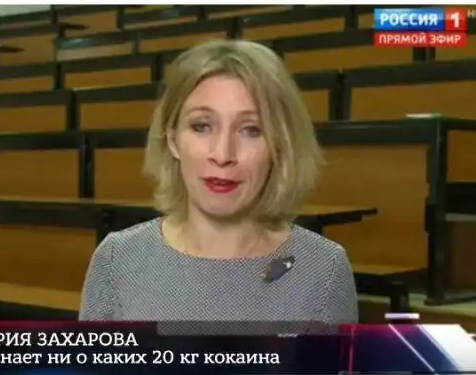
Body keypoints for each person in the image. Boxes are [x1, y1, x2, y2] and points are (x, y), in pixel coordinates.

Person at [79, 39, 358, 325]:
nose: (223, 154)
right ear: (172, 139)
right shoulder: (117, 260)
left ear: (280, 145)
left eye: (251, 130)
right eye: (201, 126)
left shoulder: (325, 269)